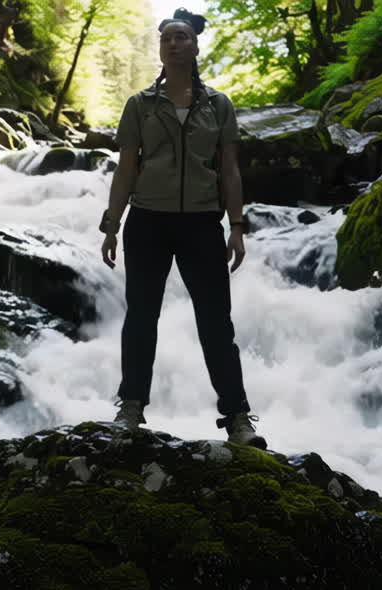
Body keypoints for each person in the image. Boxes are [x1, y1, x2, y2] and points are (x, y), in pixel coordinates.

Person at [98, 7, 266, 449]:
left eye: (182, 37)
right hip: (147, 222)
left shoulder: (218, 105)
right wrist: (111, 224)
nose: (174, 44)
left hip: (201, 224)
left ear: (194, 47)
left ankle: (237, 418)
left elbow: (230, 171)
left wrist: (237, 225)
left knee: (215, 322)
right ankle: (131, 407)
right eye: (167, 38)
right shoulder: (140, 105)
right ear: (160, 48)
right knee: (140, 318)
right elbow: (125, 169)